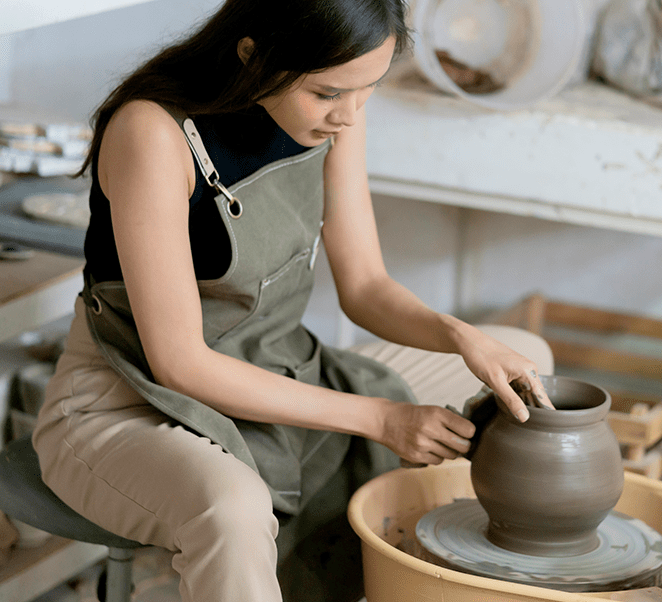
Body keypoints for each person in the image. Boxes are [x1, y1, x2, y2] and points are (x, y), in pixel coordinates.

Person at [31, 1, 552, 600]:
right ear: (254, 56)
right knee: (233, 507)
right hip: (125, 404)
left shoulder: (340, 109)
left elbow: (366, 289)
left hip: (274, 373)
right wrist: (382, 419)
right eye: (329, 93)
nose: (350, 115)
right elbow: (181, 364)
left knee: (519, 362)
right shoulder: (153, 132)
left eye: (366, 90)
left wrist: (464, 336)